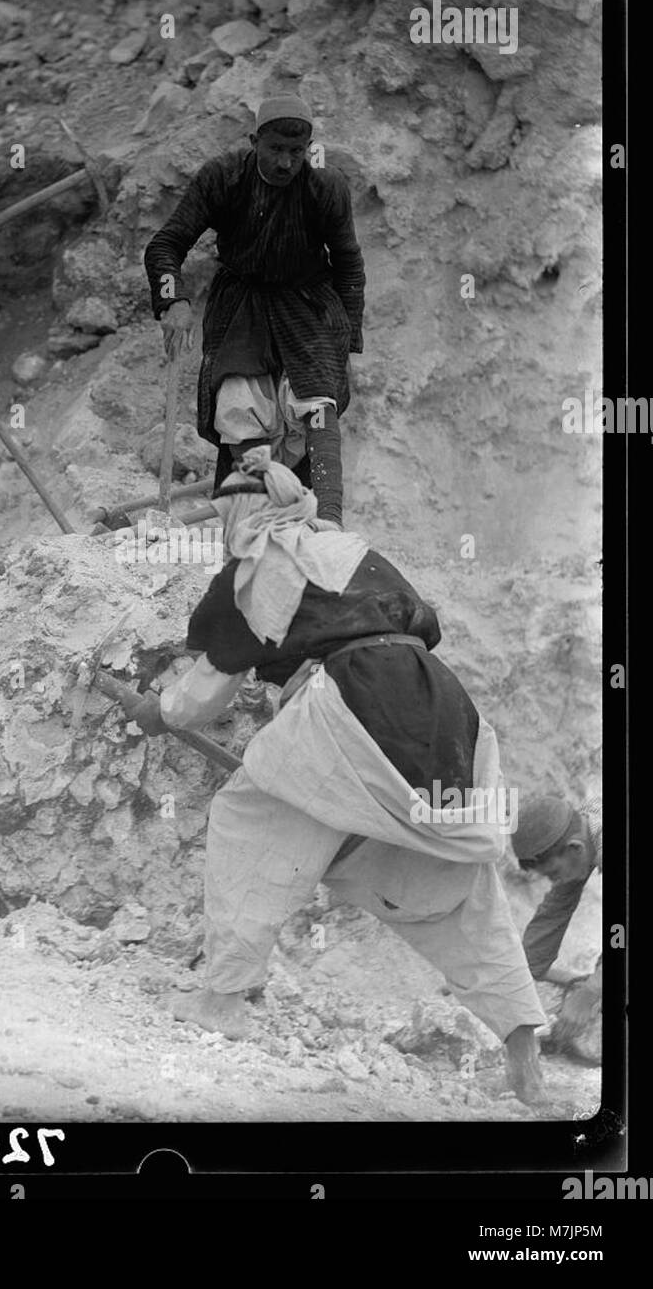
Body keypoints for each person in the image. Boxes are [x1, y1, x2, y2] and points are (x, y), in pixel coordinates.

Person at [129, 446, 551, 1107]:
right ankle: (526, 1057)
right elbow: (421, 630)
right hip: (443, 709)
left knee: (251, 816)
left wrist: (157, 713)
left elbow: (209, 683)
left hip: (355, 703)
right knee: (449, 881)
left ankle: (221, 1000)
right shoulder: (354, 551)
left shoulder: (258, 565)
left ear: (243, 512)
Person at [143, 94, 365, 525]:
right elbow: (166, 244)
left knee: (318, 404)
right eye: (275, 150)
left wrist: (347, 335)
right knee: (239, 404)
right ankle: (249, 519)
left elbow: (349, 261)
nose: (285, 163)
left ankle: (329, 522)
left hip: (309, 302)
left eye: (296, 153)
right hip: (242, 304)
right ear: (254, 141)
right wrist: (173, 300)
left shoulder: (326, 186)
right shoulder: (222, 178)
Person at [512, 795, 603, 1054]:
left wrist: (590, 992)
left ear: (575, 849)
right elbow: (554, 912)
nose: (554, 882)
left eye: (553, 873)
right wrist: (507, 974)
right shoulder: (580, 828)